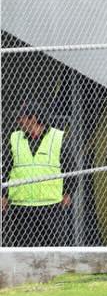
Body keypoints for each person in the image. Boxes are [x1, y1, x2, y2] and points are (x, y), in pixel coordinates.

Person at [2, 106, 75, 247]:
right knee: (25, 250)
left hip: (51, 206)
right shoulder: (15, 138)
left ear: (33, 119)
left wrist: (68, 192)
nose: (18, 121)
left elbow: (71, 168)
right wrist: (3, 195)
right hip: (22, 207)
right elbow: (5, 168)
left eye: (21, 118)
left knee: (54, 248)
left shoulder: (56, 138)